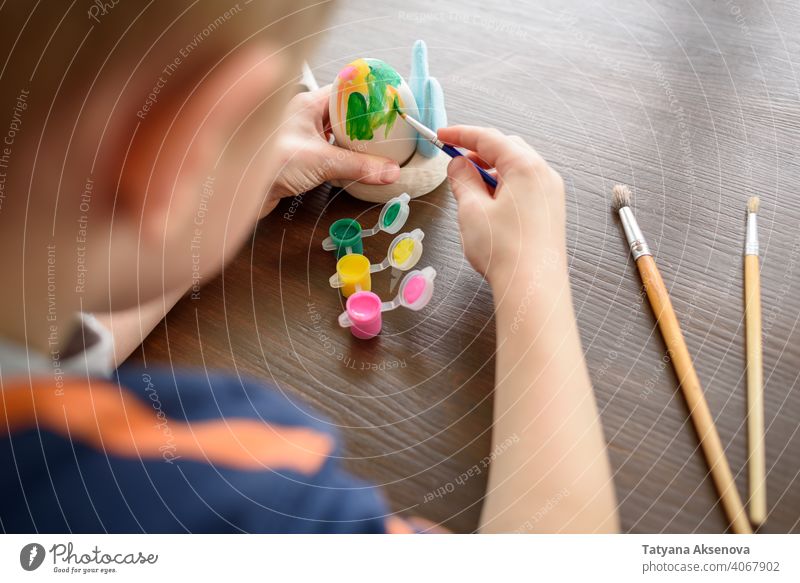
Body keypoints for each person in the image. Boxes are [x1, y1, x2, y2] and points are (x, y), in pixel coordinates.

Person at [0, 0, 618, 533]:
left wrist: (205, 202)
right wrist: (531, 273)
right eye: (267, 118)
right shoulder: (228, 485)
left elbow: (59, 354)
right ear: (182, 149)